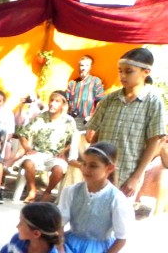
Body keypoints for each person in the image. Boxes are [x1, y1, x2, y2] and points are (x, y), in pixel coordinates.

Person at [86, 48, 167, 204]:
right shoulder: (109, 100)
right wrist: (90, 164)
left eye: (128, 71)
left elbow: (154, 142)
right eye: (120, 71)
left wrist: (136, 177)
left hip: (127, 175)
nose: (122, 76)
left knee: (117, 221)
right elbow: (95, 136)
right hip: (100, 172)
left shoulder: (153, 102)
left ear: (146, 72)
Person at [12, 90, 77, 203]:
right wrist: (27, 149)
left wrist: (64, 151)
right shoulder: (40, 117)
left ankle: (47, 192)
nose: (52, 103)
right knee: (28, 162)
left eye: (57, 101)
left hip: (56, 155)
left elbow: (73, 140)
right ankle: (32, 190)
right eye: (51, 100)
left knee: (58, 168)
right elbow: (22, 134)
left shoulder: (69, 121)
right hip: (38, 152)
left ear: (63, 104)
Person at [67, 55, 105, 123]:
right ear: (79, 67)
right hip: (72, 120)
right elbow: (66, 101)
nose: (83, 68)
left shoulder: (96, 81)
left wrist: (93, 116)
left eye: (87, 65)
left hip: (88, 121)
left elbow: (101, 101)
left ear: (91, 67)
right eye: (82, 65)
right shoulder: (72, 83)